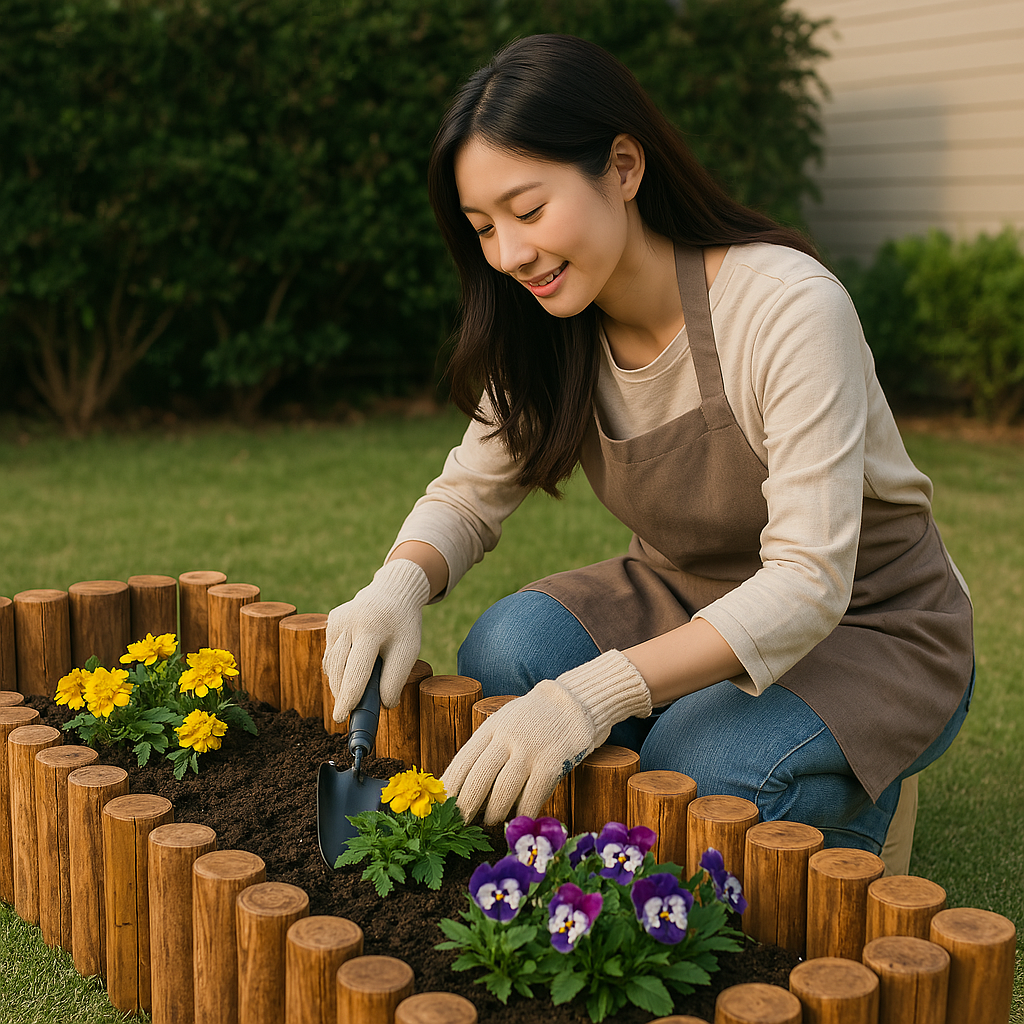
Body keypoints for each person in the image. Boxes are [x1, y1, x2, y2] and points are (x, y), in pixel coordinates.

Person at [323, 34, 974, 854]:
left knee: (698, 764)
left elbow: (809, 584)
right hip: (684, 592)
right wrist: (396, 588)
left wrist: (593, 698)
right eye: (483, 227)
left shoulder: (785, 307)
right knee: (505, 652)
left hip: (870, 620)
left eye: (528, 210)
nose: (510, 254)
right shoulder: (550, 323)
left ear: (624, 168)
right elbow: (468, 492)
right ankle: (647, 786)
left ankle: (858, 797)